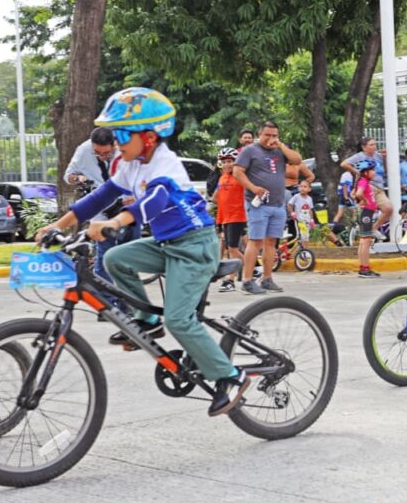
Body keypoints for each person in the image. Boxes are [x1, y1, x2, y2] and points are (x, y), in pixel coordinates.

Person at [37, 87, 250, 417]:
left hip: (195, 246)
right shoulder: (131, 163)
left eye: (123, 134)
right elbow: (99, 197)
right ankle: (148, 320)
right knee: (115, 258)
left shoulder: (165, 165)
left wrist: (117, 223)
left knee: (179, 320)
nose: (118, 142)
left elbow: (154, 201)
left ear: (148, 137)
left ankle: (231, 377)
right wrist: (59, 224)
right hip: (168, 244)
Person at [63, 126, 135, 320]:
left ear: (115, 144)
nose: (102, 156)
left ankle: (130, 303)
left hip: (128, 208)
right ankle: (108, 306)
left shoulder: (126, 150)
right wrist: (78, 178)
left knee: (127, 257)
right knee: (104, 257)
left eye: (107, 152)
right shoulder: (83, 151)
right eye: (98, 153)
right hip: (102, 210)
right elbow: (68, 176)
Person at [235, 120, 303, 294]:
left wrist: (280, 144)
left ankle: (267, 278)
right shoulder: (250, 150)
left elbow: (297, 160)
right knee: (255, 241)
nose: (271, 138)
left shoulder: (279, 151)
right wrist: (253, 188)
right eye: (267, 135)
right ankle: (248, 280)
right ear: (260, 134)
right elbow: (237, 172)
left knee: (271, 241)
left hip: (278, 204)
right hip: (258, 204)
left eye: (274, 135)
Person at [342, 137, 392, 239]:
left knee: (388, 209)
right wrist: (357, 172)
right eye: (371, 145)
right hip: (368, 186)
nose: (374, 147)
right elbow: (344, 164)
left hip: (379, 187)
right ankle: (364, 232)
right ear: (364, 147)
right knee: (368, 211)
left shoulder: (378, 156)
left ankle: (373, 229)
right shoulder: (360, 156)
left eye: (375, 144)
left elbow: (385, 170)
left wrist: (385, 158)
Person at [214, 148, 246, 292]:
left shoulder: (240, 177)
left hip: (237, 215)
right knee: (230, 248)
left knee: (232, 249)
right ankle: (255, 267)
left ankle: (230, 280)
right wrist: (219, 220)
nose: (227, 165)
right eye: (224, 162)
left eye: (230, 161)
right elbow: (219, 200)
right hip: (225, 217)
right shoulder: (222, 178)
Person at [353, 159, 380, 278]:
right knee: (365, 242)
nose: (374, 172)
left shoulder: (362, 181)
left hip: (366, 213)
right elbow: (358, 194)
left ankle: (363, 267)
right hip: (366, 213)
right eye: (372, 170)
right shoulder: (363, 181)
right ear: (365, 172)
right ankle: (365, 268)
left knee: (363, 241)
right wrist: (365, 200)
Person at [287, 180, 317, 245]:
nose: (302, 188)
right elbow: (289, 204)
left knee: (306, 236)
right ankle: (300, 250)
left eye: (305, 187)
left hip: (307, 220)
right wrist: (292, 213)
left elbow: (310, 210)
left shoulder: (309, 199)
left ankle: (305, 251)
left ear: (309, 189)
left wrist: (312, 220)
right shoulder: (296, 197)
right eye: (301, 186)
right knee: (300, 236)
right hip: (299, 220)